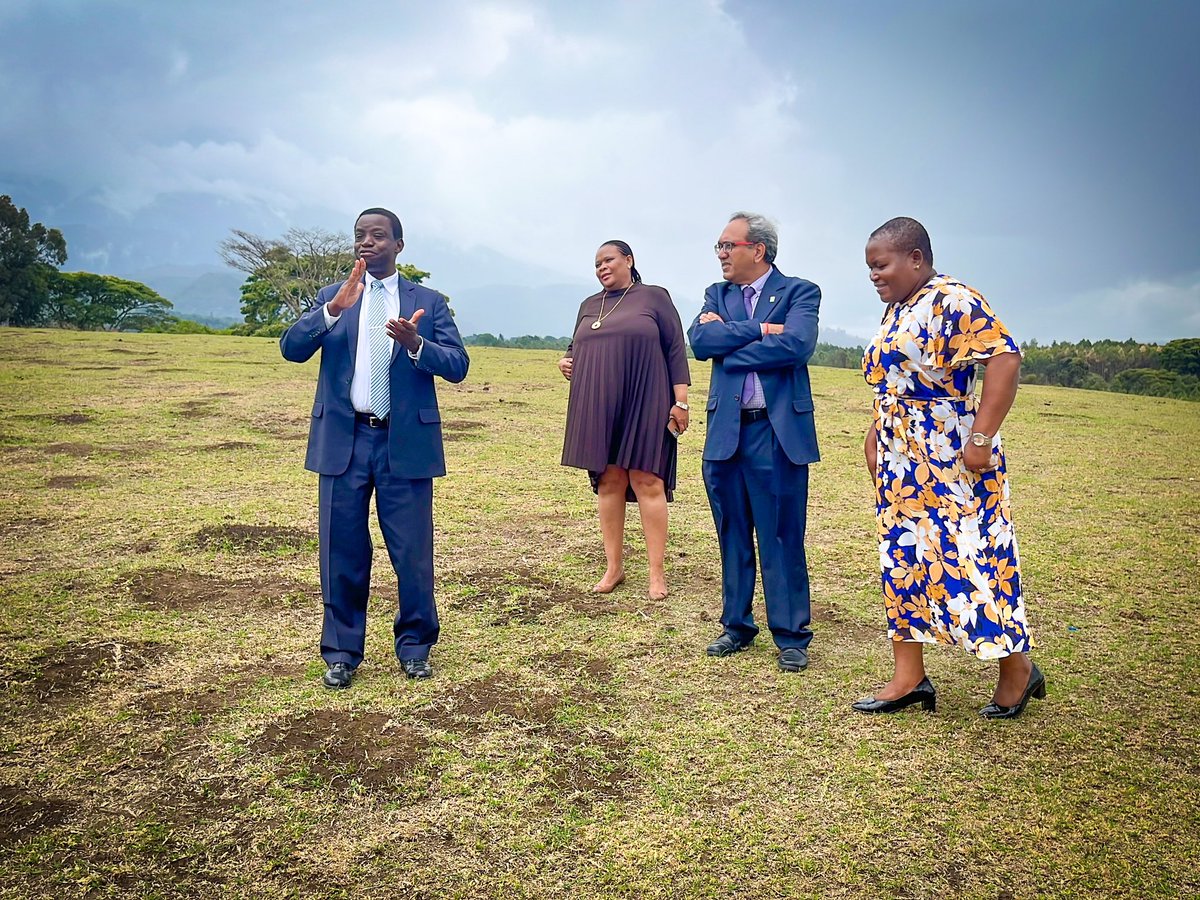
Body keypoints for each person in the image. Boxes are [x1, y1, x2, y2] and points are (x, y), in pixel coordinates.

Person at [854, 216, 1043, 718]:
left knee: (974, 558)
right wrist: (878, 434)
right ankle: (909, 676)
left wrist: (980, 437)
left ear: (915, 257)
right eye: (869, 268)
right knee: (902, 561)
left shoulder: (953, 299)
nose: (874, 275)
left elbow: (1004, 358)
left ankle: (1017, 670)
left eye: (882, 265)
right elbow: (897, 382)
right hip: (901, 458)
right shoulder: (898, 308)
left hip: (951, 455)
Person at [280, 207, 469, 688]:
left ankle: (415, 646)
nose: (367, 242)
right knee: (340, 547)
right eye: (360, 235)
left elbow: (458, 364)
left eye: (378, 235)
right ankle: (342, 652)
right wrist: (332, 310)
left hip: (403, 442)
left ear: (399, 245)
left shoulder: (428, 300)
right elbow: (292, 348)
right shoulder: (335, 296)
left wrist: (416, 344)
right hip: (343, 442)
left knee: (411, 552)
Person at [687, 212, 821, 672]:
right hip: (727, 432)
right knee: (732, 530)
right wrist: (763, 330)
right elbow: (701, 343)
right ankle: (737, 625)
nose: (721, 254)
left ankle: (790, 635)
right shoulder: (716, 294)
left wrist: (731, 345)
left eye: (728, 245)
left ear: (757, 249)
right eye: (719, 247)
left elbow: (799, 346)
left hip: (775, 431)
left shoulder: (800, 292)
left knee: (782, 533)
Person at [559, 240, 691, 601]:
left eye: (609, 260)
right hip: (598, 401)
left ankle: (656, 573)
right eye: (597, 263)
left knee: (648, 479)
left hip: (647, 397)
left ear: (629, 261)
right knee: (609, 480)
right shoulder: (589, 305)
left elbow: (675, 350)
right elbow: (575, 348)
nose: (602, 267)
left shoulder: (654, 297)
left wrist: (681, 401)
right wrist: (566, 362)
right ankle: (613, 567)